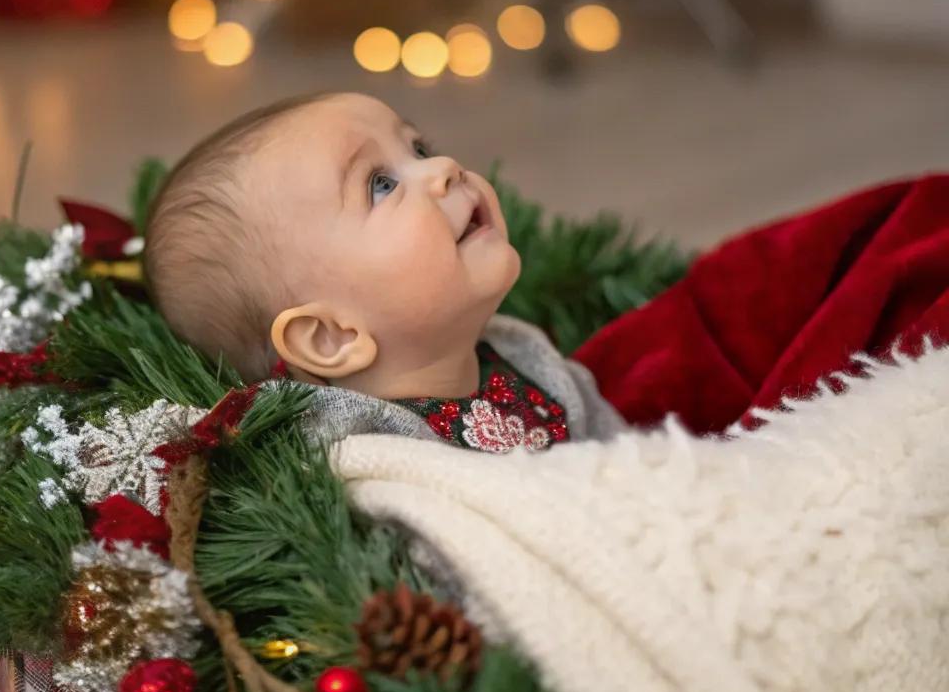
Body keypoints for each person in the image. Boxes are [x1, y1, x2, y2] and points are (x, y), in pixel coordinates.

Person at [143, 89, 624, 453]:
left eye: (417, 148)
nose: (443, 167)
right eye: (380, 185)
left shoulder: (525, 354)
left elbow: (629, 460)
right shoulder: (367, 454)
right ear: (331, 336)